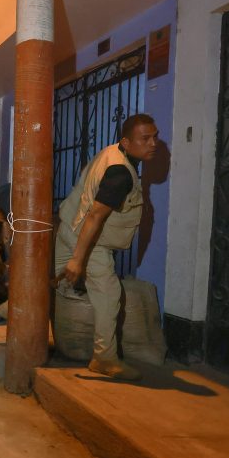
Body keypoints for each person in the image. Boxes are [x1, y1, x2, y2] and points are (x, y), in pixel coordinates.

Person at [54, 113, 160, 381]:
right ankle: (104, 358)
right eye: (145, 138)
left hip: (68, 225)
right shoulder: (121, 174)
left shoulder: (111, 152)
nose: (153, 143)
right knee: (109, 294)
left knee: (55, 278)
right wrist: (79, 259)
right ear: (126, 142)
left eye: (155, 137)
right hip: (89, 238)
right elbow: (95, 217)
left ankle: (11, 309)